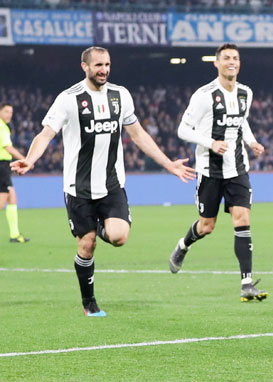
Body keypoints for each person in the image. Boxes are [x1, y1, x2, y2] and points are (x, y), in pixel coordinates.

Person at [10, 46, 196, 317]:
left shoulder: (120, 96)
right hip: (78, 187)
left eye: (107, 64)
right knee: (86, 245)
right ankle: (89, 303)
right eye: (98, 65)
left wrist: (168, 163)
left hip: (111, 184)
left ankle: (95, 226)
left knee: (119, 237)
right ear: (84, 67)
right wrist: (30, 159)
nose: (104, 70)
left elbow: (138, 134)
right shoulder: (68, 99)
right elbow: (45, 134)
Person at [168, 43, 268, 302]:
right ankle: (183, 245)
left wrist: (251, 141)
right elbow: (183, 129)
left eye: (235, 58)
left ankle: (246, 283)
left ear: (239, 62)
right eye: (226, 58)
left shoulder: (246, 93)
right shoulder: (205, 95)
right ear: (217, 63)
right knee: (206, 226)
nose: (231, 62)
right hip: (209, 171)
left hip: (237, 168)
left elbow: (241, 120)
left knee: (242, 218)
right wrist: (210, 143)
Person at [0, 103, 29, 243]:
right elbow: (8, 147)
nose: (9, 114)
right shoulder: (1, 126)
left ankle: (14, 234)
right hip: (1, 166)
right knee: (2, 202)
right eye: (6, 111)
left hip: (4, 166)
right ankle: (15, 235)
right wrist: (25, 159)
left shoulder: (4, 126)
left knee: (12, 198)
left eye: (11, 112)